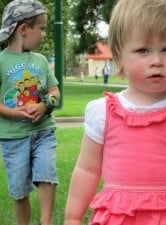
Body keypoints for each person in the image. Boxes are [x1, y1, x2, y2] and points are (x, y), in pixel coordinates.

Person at [65, 0, 166, 224]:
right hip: (119, 217)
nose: (157, 61)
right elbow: (87, 170)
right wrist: (73, 217)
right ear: (120, 56)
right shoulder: (102, 113)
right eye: (143, 50)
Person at [0, 0, 60, 225]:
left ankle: (46, 222)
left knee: (47, 175)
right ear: (24, 30)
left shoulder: (41, 61)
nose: (44, 34)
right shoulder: (1, 61)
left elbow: (54, 90)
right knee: (19, 189)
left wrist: (46, 105)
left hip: (43, 132)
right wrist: (16, 113)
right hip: (13, 139)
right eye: (42, 28)